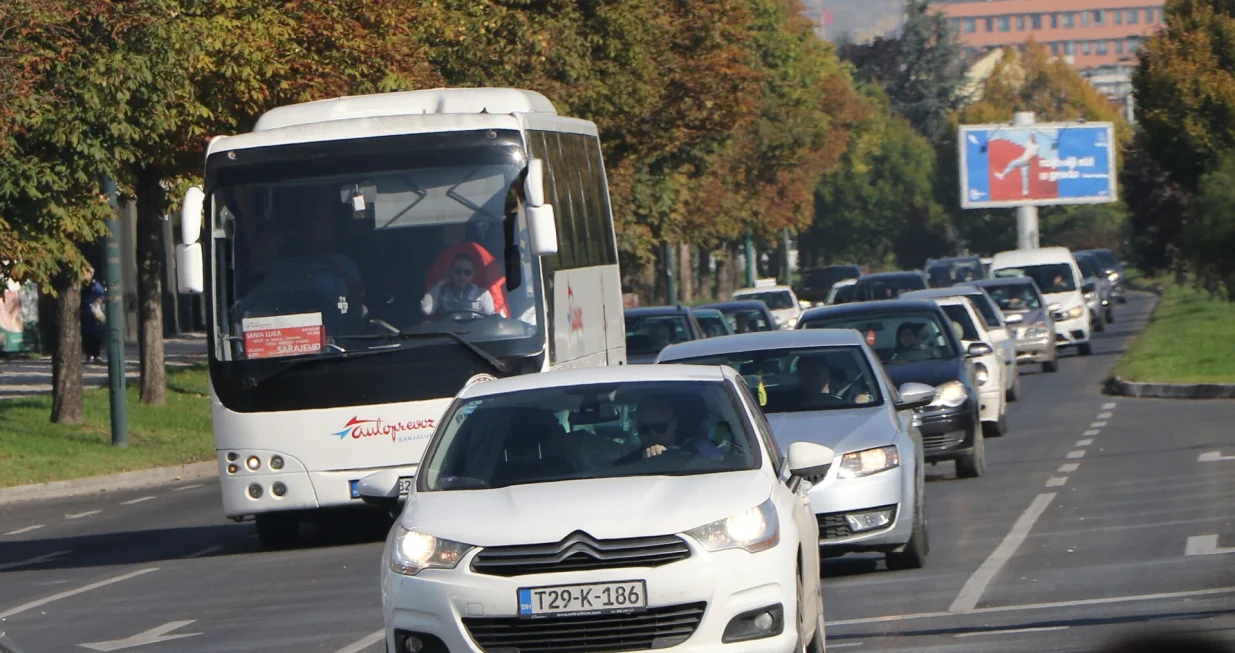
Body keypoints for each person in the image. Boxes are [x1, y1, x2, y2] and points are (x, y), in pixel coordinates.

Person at [620, 394, 722, 462]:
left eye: (660, 428)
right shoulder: (625, 464)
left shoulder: (700, 452)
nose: (652, 435)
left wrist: (669, 457)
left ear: (674, 424)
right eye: (644, 429)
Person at [422, 252, 496, 319]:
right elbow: (426, 309)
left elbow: (492, 320)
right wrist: (439, 284)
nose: (462, 276)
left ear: (473, 274)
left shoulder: (483, 294)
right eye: (458, 271)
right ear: (451, 271)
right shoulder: (441, 292)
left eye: (467, 272)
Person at [80, 267, 106, 364]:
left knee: (96, 334)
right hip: (85, 313)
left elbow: (102, 294)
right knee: (87, 335)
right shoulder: (82, 286)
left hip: (95, 313)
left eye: (87, 273)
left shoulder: (95, 285)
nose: (85, 275)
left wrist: (99, 300)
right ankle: (89, 354)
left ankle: (97, 354)